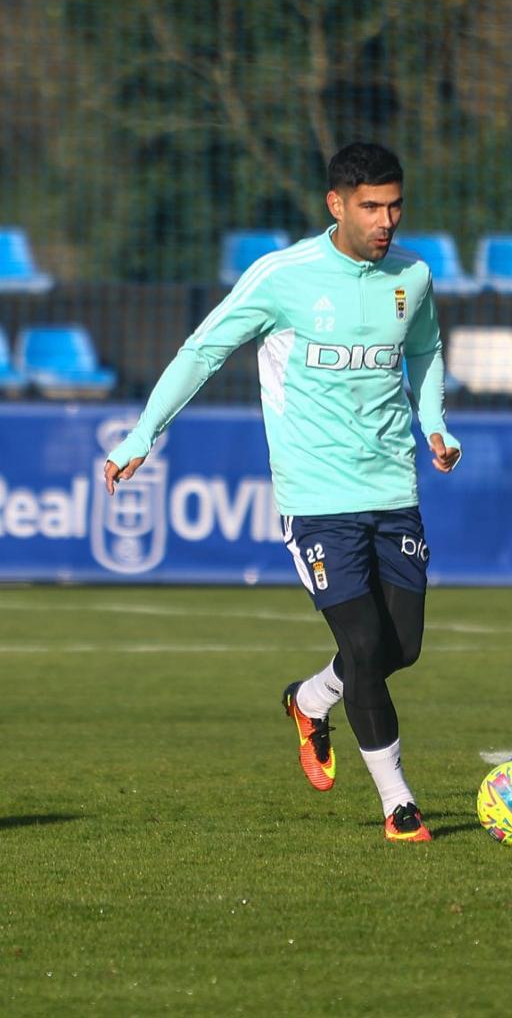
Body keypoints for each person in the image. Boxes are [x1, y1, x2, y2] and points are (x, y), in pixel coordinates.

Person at [103, 142, 460, 843]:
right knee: (361, 642)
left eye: (394, 205)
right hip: (317, 496)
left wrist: (435, 424)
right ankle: (399, 805)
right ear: (336, 204)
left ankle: (308, 700)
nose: (386, 220)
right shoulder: (283, 276)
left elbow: (424, 349)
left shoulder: (412, 276)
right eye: (371, 207)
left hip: (393, 487)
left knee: (401, 648)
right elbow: (204, 349)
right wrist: (142, 435)